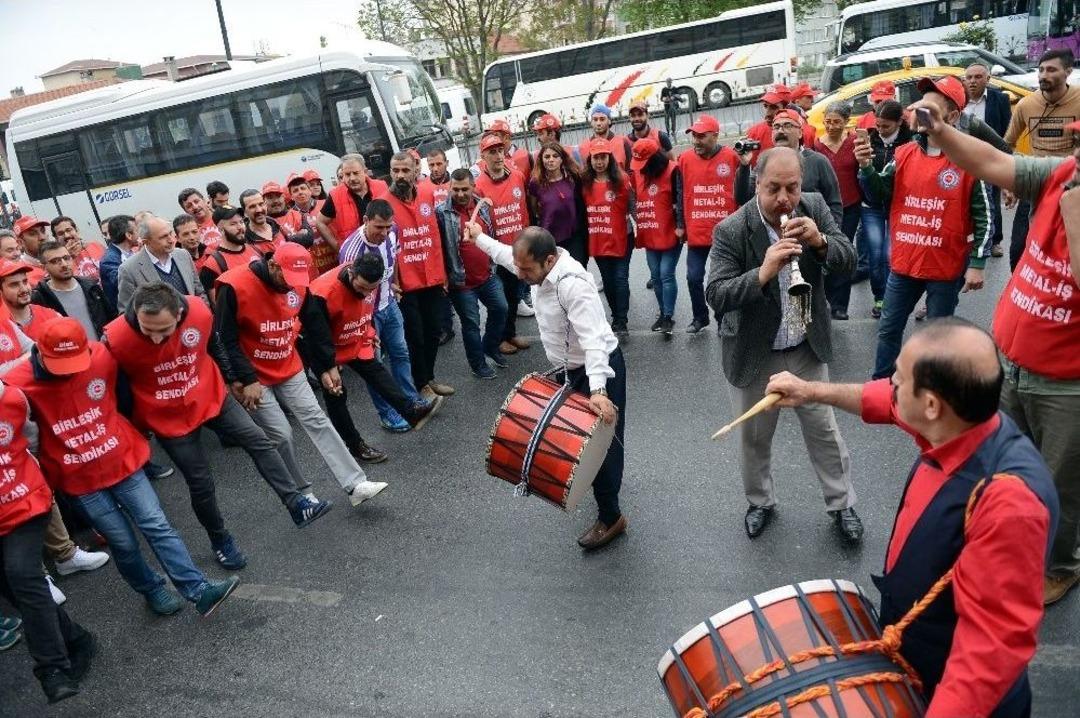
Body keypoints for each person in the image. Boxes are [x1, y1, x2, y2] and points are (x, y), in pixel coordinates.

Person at [766, 318, 1058, 716]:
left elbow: (988, 653)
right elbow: (883, 401)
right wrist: (809, 390)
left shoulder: (1010, 505)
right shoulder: (961, 420)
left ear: (932, 405)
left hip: (950, 691)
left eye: (899, 380)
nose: (892, 386)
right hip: (913, 656)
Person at [913, 98, 1080, 604]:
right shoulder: (1062, 173)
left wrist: (1074, 207)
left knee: (1058, 486)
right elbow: (992, 162)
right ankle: (1003, 542)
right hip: (1011, 364)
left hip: (1066, 386)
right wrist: (941, 132)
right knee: (1000, 465)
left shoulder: (1071, 192)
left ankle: (1059, 564)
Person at [5, 317, 240, 617]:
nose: (71, 372)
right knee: (123, 542)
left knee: (156, 524)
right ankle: (151, 588)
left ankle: (199, 590)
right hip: (80, 479)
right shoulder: (18, 383)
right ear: (39, 353)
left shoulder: (101, 356)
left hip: (121, 459)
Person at [104, 281, 331, 567]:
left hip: (208, 393)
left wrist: (234, 379)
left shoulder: (198, 311)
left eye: (164, 330)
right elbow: (119, 390)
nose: (157, 339)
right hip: (166, 415)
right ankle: (220, 540)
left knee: (258, 440)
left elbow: (214, 344)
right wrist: (136, 425)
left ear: (178, 315)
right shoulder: (116, 339)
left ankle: (297, 504)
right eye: (148, 330)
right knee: (201, 482)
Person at [705, 147, 860, 543]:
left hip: (805, 347)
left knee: (824, 431)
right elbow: (717, 294)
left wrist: (822, 241)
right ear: (757, 183)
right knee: (754, 437)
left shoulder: (814, 206)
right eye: (774, 188)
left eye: (792, 187)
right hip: (756, 354)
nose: (785, 199)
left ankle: (842, 504)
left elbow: (849, 259)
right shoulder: (733, 229)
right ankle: (760, 501)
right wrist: (763, 272)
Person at [465, 225, 627, 551]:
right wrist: (478, 237)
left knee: (603, 448)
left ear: (549, 259)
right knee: (578, 443)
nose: (519, 273)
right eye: (519, 266)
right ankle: (601, 488)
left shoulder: (574, 286)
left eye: (525, 269)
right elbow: (505, 256)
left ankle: (612, 518)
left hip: (598, 372)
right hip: (570, 369)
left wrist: (598, 391)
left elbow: (594, 341)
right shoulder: (535, 268)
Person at [214, 242, 388, 506]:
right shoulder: (233, 286)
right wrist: (242, 379)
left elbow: (315, 325)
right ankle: (301, 494)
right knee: (282, 434)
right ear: (272, 264)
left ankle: (355, 485)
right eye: (286, 277)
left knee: (317, 419)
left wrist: (327, 365)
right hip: (254, 375)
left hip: (288, 363)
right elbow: (224, 338)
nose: (290, 286)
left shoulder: (298, 283)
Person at [857, 77, 991, 380]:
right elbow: (879, 194)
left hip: (945, 268)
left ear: (953, 117)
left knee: (936, 337)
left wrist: (978, 263)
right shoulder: (903, 154)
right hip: (904, 265)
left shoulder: (968, 158)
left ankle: (931, 388)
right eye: (919, 106)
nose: (919, 112)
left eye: (930, 107)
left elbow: (985, 214)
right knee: (889, 328)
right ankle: (881, 384)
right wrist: (866, 169)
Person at [0, 380, 96, 703]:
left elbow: (33, 439)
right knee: (15, 587)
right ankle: (77, 638)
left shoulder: (11, 399)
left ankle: (52, 669)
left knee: (23, 573)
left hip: (23, 501)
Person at [305, 252, 444, 453]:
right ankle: (355, 445)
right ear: (351, 273)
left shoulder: (369, 280)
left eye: (370, 289)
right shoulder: (322, 293)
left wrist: (368, 331)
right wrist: (328, 367)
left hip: (352, 337)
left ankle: (411, 411)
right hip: (322, 345)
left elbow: (364, 307)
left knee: (376, 371)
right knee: (336, 394)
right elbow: (316, 336)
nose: (364, 293)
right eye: (361, 288)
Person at [339, 200, 434, 433]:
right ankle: (388, 414)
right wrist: (364, 328)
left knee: (401, 353)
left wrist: (395, 285)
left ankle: (410, 402)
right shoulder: (351, 251)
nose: (384, 232)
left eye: (388, 227)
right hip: (367, 315)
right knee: (375, 367)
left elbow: (395, 259)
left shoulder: (394, 232)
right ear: (365, 221)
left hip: (389, 304)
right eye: (378, 227)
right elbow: (350, 294)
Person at [378, 151, 454, 400]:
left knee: (434, 331)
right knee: (415, 337)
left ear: (415, 171)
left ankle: (428, 378)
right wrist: (391, 282)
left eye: (405, 170)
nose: (399, 175)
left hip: (431, 278)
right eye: (395, 170)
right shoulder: (383, 202)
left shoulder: (427, 194)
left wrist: (443, 274)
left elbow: (435, 237)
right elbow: (381, 247)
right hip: (404, 285)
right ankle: (420, 384)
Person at [1004, 49, 1080, 269]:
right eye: (1041, 70)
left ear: (1068, 71)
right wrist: (1008, 183)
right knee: (1019, 248)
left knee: (1066, 248)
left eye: (1051, 69)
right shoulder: (1026, 105)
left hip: (1070, 183)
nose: (1043, 75)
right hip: (1035, 181)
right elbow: (1006, 143)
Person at [436, 168, 507, 378]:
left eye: (464, 189)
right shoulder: (441, 213)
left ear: (473, 186)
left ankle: (491, 347)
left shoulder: (482, 206)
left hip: (488, 275)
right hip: (462, 283)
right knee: (471, 326)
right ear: (449, 188)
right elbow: (439, 249)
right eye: (455, 189)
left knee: (501, 309)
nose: (459, 194)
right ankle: (478, 365)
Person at [678, 114, 741, 334]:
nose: (696, 141)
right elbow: (680, 193)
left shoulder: (732, 157)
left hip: (725, 233)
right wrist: (680, 225)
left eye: (701, 136)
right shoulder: (684, 160)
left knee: (723, 280)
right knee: (693, 277)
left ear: (715, 136)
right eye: (693, 136)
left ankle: (723, 317)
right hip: (697, 232)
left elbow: (742, 192)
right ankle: (699, 317)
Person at [473, 133, 533, 356]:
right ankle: (498, 338)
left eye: (500, 151)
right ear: (483, 156)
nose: (498, 156)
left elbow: (524, 210)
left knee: (515, 293)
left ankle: (510, 333)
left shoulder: (517, 176)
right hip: (496, 253)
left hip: (519, 248)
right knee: (500, 301)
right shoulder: (478, 185)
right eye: (492, 152)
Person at [858, 100, 914, 317]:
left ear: (900, 122)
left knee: (892, 255)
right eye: (878, 126)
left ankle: (893, 297)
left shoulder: (910, 143)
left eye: (886, 127)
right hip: (871, 206)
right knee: (876, 254)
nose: (880, 131)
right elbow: (860, 175)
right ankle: (879, 297)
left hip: (898, 207)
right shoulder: (869, 140)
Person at [814, 102, 862, 320]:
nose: (832, 126)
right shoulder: (816, 145)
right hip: (824, 210)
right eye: (828, 122)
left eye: (837, 122)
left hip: (851, 207)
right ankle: (824, 300)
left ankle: (840, 305)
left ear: (846, 122)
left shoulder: (854, 143)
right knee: (824, 252)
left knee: (843, 253)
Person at [582, 139, 634, 337]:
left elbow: (632, 206)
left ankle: (622, 320)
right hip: (598, 239)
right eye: (596, 157)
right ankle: (615, 315)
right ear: (591, 160)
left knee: (620, 278)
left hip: (623, 238)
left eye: (603, 157)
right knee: (608, 281)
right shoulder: (585, 183)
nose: (599, 162)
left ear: (609, 158)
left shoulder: (621, 179)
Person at [632, 139, 684, 337]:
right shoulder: (640, 173)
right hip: (650, 230)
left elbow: (680, 198)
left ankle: (669, 317)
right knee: (655, 275)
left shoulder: (673, 170)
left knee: (666, 274)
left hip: (670, 230)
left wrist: (680, 226)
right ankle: (662, 313)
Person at [964, 62, 1012, 258]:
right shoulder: (959, 100)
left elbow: (1007, 132)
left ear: (988, 79)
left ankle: (995, 241)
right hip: (964, 159)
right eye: (969, 78)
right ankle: (971, 240)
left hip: (990, 159)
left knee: (991, 200)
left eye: (978, 77)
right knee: (967, 201)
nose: (973, 81)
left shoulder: (999, 99)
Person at [116, 215, 207, 313]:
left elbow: (199, 291)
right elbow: (127, 312)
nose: (171, 240)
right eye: (163, 237)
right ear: (147, 242)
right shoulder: (129, 269)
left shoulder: (183, 255)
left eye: (170, 233)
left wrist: (205, 314)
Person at [31, 241, 114, 340]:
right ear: (44, 267)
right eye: (55, 261)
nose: (64, 264)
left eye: (66, 258)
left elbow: (111, 318)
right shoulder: (40, 299)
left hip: (101, 351)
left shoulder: (91, 287)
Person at [528, 142, 587, 267]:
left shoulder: (573, 178)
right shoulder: (535, 183)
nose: (551, 160)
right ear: (541, 159)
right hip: (549, 240)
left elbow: (580, 206)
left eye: (555, 156)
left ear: (562, 159)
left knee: (577, 273)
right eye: (547, 156)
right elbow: (533, 209)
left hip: (574, 237)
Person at [316, 153, 388, 252]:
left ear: (365, 172)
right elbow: (320, 222)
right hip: (354, 255)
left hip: (383, 248)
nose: (352, 178)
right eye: (347, 174)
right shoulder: (335, 195)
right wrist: (339, 248)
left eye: (355, 173)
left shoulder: (382, 187)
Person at [198, 206, 263, 301]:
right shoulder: (212, 265)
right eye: (233, 224)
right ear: (221, 229)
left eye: (241, 222)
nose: (240, 227)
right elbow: (220, 307)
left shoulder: (256, 249)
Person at [0, 259, 61, 339]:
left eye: (25, 282)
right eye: (14, 285)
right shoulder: (2, 324)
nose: (24, 289)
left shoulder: (52, 316)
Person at [100, 214, 139, 312]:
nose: (140, 234)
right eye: (137, 230)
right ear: (129, 235)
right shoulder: (109, 260)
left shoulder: (129, 252)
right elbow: (124, 284)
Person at [578, 104, 633, 172]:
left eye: (602, 119)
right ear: (591, 122)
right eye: (595, 119)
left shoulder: (622, 142)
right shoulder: (584, 146)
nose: (598, 123)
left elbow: (630, 170)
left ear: (609, 121)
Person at [50, 217, 104, 283]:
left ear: (76, 230)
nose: (66, 236)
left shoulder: (95, 246)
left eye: (69, 230)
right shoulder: (58, 261)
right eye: (61, 234)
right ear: (56, 238)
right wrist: (67, 256)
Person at [743, 88, 785, 163]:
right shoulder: (753, 133)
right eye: (765, 106)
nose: (767, 113)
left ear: (787, 108)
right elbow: (749, 168)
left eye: (773, 107)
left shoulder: (803, 132)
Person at [240, 189, 287, 254]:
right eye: (252, 207)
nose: (259, 210)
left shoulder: (277, 226)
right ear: (245, 213)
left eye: (261, 204)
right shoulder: (244, 240)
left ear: (265, 204)